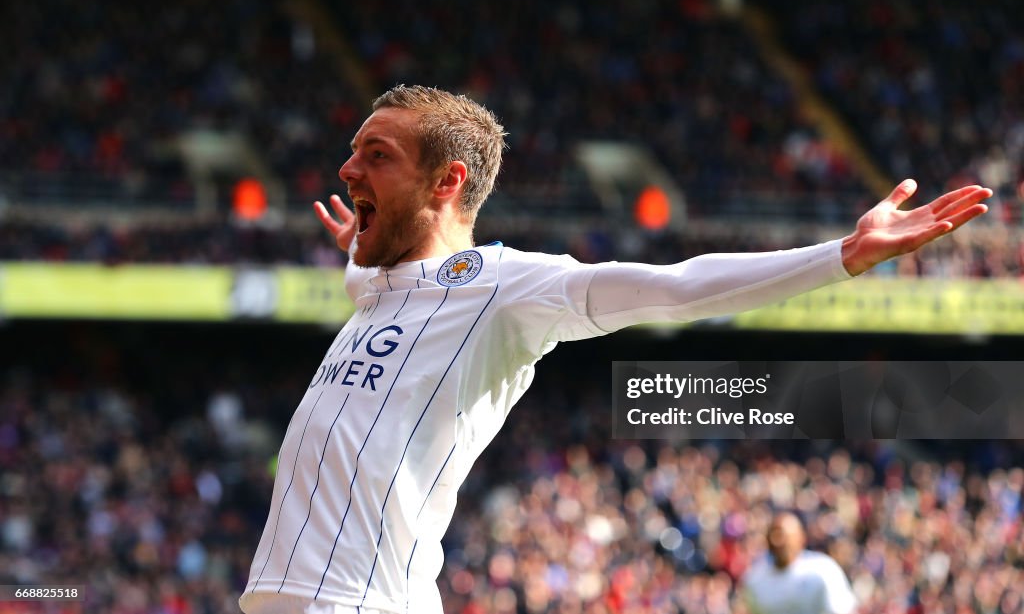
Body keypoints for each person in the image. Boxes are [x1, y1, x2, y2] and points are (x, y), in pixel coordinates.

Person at [239, 85, 990, 614]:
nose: (348, 169)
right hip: (282, 598)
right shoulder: (378, 286)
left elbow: (677, 287)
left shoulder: (502, 286)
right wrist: (362, 245)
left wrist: (840, 255)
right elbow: (377, 281)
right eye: (353, 152)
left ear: (446, 181)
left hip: (359, 603)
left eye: (376, 156)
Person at [740, 512, 857, 614]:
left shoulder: (823, 570)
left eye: (783, 535)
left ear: (801, 538)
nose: (777, 542)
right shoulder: (755, 579)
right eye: (773, 536)